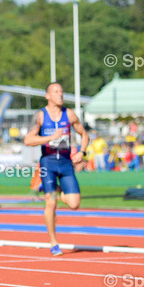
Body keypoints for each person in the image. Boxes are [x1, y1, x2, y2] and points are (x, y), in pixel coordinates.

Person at [23, 82, 89, 256]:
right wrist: (50, 137)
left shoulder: (69, 114)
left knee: (74, 204)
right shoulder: (40, 116)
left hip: (66, 163)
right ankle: (54, 243)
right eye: (56, 91)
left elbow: (84, 134)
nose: (60, 94)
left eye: (61, 91)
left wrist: (82, 152)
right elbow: (28, 140)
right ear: (48, 96)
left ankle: (51, 187)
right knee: (51, 203)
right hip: (48, 163)